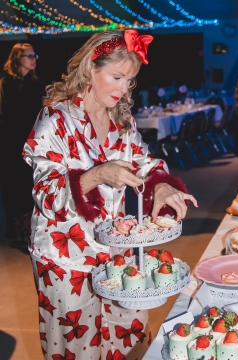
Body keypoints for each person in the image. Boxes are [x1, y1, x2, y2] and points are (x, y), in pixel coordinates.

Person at [22, 30, 198, 359]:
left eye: (129, 81)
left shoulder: (123, 122)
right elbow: (45, 193)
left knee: (128, 339)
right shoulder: (55, 119)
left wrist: (160, 183)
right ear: (91, 67)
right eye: (117, 77)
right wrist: (98, 174)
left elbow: (146, 163)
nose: (123, 89)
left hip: (116, 255)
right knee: (76, 348)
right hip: (66, 259)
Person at [0, 43, 43, 249]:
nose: (33, 59)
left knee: (29, 187)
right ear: (18, 59)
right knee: (14, 188)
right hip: (11, 144)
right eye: (28, 56)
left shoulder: (36, 84)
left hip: (31, 144)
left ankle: (29, 233)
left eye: (34, 55)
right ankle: (18, 233)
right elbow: (10, 115)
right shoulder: (7, 83)